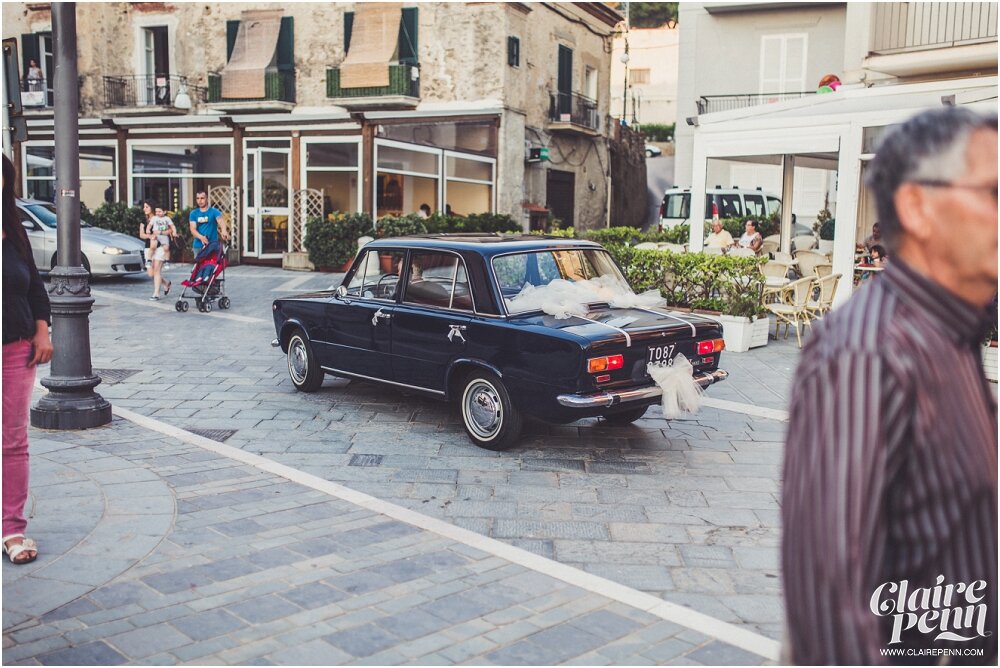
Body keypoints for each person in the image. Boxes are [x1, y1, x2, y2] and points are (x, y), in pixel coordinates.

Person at [782, 107, 997, 664]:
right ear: (919, 208)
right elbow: (832, 602)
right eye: (992, 191)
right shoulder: (868, 353)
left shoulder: (953, 334)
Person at [2, 154, 52, 565]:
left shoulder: (13, 230)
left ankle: (12, 529)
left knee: (13, 442)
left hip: (16, 349)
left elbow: (35, 285)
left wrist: (42, 330)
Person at [145, 204, 175, 300]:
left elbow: (170, 228)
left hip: (161, 246)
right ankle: (166, 283)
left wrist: (164, 232)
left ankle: (156, 293)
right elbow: (142, 234)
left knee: (157, 271)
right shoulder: (147, 220)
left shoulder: (164, 219)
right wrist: (150, 235)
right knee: (151, 273)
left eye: (147, 207)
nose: (144, 209)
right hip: (150, 246)